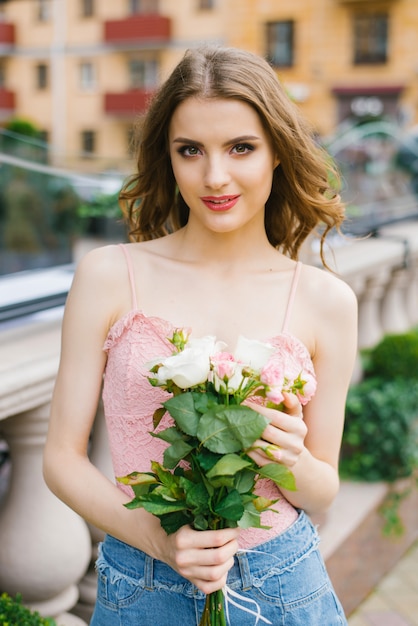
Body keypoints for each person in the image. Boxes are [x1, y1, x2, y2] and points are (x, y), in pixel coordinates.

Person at [43, 45, 357, 625]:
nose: (215, 177)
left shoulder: (326, 301)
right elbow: (61, 458)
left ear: (278, 155)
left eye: (241, 147)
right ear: (168, 157)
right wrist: (158, 539)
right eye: (191, 150)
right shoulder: (110, 276)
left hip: (284, 588)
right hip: (140, 585)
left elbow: (322, 489)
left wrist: (292, 457)